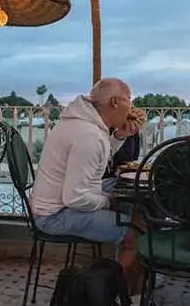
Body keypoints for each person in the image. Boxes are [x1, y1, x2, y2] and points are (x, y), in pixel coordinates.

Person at [29, 79, 145, 292]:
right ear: (115, 102)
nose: (133, 106)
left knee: (135, 209)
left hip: (64, 202)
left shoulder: (87, 123)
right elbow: (75, 198)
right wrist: (109, 201)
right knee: (137, 235)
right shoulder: (88, 135)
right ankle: (119, 298)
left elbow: (99, 157)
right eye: (129, 99)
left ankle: (134, 279)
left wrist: (120, 135)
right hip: (54, 216)